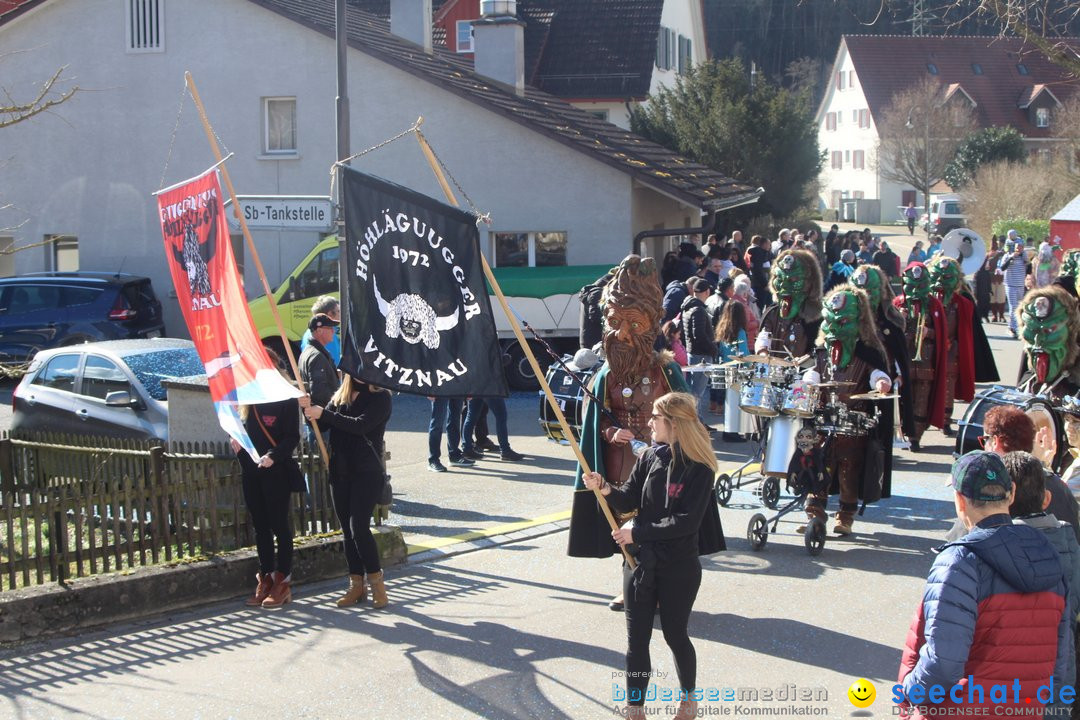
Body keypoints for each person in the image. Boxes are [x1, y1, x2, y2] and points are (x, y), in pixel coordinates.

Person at [581, 392, 724, 720]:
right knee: (637, 641)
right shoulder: (648, 457)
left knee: (676, 635)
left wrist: (637, 533)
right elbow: (627, 498)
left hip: (679, 566)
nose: (649, 423)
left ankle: (688, 700)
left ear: (672, 424)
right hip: (640, 563)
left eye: (655, 418)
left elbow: (686, 523)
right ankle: (635, 708)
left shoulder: (700, 468)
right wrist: (604, 488)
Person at [897, 451, 1070, 719]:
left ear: (960, 500)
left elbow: (943, 663)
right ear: (1010, 494)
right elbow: (1059, 665)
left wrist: (909, 689)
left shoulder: (959, 561)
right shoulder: (1047, 554)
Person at [566, 255, 694, 611]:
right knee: (626, 528)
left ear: (651, 326)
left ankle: (658, 587)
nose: (621, 334)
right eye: (614, 322)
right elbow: (596, 420)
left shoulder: (666, 374)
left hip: (662, 465)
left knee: (655, 527)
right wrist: (609, 433)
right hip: (620, 465)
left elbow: (686, 421)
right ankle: (633, 584)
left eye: (633, 325)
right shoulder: (606, 374)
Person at [805, 286, 892, 535]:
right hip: (823, 418)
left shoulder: (867, 350)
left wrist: (881, 382)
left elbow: (877, 373)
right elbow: (812, 370)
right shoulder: (822, 349)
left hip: (854, 420)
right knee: (818, 463)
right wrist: (808, 382)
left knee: (849, 468)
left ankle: (845, 515)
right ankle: (815, 512)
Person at [303, 373, 393, 609]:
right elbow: (321, 424)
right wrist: (309, 410)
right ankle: (356, 585)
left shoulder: (381, 398)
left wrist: (325, 414)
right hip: (340, 471)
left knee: (359, 527)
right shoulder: (340, 396)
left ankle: (376, 583)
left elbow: (361, 425)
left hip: (366, 472)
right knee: (347, 531)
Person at [1003, 450, 1080, 720]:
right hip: (1060, 673)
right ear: (1046, 499)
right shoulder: (1069, 543)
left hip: (1003, 681)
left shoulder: (993, 549)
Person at [233, 350, 303, 609]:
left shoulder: (286, 396)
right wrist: (236, 439)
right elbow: (244, 428)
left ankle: (282, 582)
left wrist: (273, 455)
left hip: (276, 471)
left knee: (279, 526)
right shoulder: (249, 394)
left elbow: (292, 437)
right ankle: (265, 578)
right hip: (250, 470)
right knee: (260, 526)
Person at [893, 263, 947, 452]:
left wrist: (929, 332)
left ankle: (916, 436)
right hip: (904, 362)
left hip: (925, 361)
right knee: (902, 400)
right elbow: (889, 333)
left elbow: (942, 333)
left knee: (922, 401)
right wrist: (900, 319)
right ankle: (904, 434)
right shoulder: (898, 303)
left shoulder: (934, 304)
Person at [755, 248, 823, 359]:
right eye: (780, 279)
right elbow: (765, 334)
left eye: (793, 280)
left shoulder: (817, 315)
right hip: (774, 369)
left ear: (809, 282)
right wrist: (762, 352)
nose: (784, 286)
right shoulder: (773, 311)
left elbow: (820, 349)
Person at [680, 278, 718, 429]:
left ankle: (698, 421)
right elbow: (699, 335)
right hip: (701, 354)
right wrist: (713, 348)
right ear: (707, 292)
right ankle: (696, 423)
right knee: (697, 392)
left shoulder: (687, 307)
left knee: (693, 390)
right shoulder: (699, 310)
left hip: (692, 352)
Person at [298, 313, 341, 444]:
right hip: (323, 423)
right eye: (330, 328)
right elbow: (319, 392)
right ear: (319, 331)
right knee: (325, 461)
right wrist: (335, 408)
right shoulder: (316, 356)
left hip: (318, 420)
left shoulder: (308, 352)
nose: (333, 331)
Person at [461, 392, 525, 462]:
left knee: (471, 416)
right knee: (501, 415)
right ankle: (505, 450)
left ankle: (467, 449)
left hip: (474, 386)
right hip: (489, 387)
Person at [427, 397, 472, 472]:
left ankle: (454, 455)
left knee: (455, 420)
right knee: (437, 422)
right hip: (439, 388)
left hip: (457, 387)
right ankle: (433, 460)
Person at [998, 231, 1029, 338]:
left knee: (1021, 306)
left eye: (1021, 246)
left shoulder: (1023, 256)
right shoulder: (1007, 256)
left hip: (1020, 284)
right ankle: (1013, 328)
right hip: (1010, 284)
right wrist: (1011, 256)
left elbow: (1028, 265)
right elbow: (1002, 268)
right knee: (1013, 307)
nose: (1019, 248)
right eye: (1017, 246)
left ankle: (1018, 326)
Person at [299, 296, 342, 365]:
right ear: (330, 313)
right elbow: (335, 363)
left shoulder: (310, 332)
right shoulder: (326, 335)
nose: (340, 314)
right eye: (338, 311)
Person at [745, 235, 773, 311]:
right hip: (760, 286)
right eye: (768, 244)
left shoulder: (765, 253)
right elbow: (758, 270)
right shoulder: (758, 253)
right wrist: (765, 284)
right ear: (764, 244)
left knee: (770, 305)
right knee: (760, 307)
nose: (770, 246)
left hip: (766, 284)